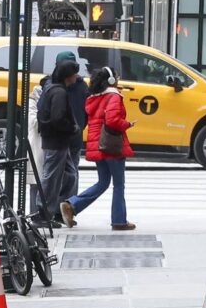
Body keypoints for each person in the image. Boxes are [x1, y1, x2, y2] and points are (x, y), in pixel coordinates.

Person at [61, 67, 135, 231]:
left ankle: (72, 205)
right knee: (119, 184)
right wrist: (127, 124)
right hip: (111, 145)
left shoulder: (93, 98)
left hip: (97, 145)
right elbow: (113, 120)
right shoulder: (114, 96)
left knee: (103, 182)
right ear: (111, 80)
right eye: (116, 76)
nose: (118, 78)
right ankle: (119, 220)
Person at [33, 51, 88, 224]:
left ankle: (63, 209)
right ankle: (44, 212)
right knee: (51, 176)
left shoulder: (74, 87)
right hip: (58, 140)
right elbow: (55, 117)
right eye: (73, 72)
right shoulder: (57, 91)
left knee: (70, 175)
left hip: (66, 140)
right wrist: (71, 127)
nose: (76, 76)